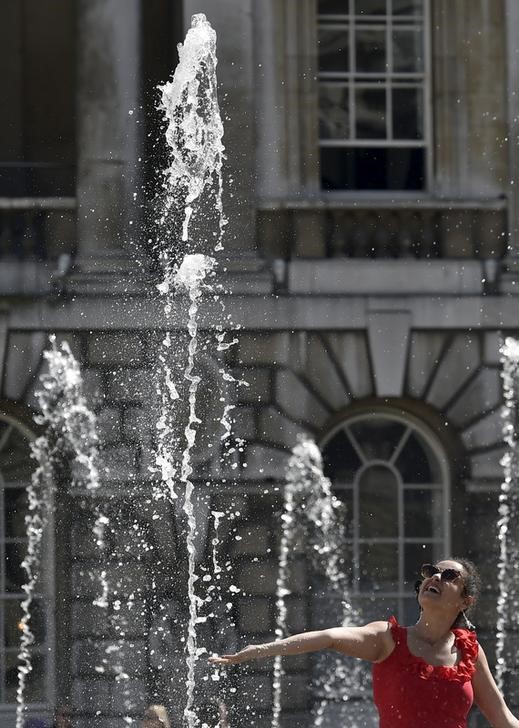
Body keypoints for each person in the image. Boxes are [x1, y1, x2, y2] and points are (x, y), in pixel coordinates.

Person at [209, 558, 519, 728]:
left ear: (466, 601)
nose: (435, 577)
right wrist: (258, 651)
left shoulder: (469, 652)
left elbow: (503, 720)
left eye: (449, 575)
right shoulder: (386, 639)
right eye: (430, 571)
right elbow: (328, 638)